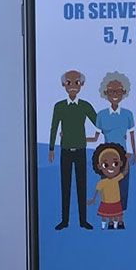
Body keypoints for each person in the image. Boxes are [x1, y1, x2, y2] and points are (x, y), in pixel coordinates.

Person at [48, 69, 98, 230]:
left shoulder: (84, 106)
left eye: (76, 82)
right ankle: (65, 220)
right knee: (66, 185)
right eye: (69, 83)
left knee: (81, 185)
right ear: (63, 85)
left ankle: (83, 220)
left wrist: (102, 133)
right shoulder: (60, 106)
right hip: (65, 151)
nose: (72, 86)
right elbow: (54, 128)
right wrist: (51, 148)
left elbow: (98, 121)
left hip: (81, 151)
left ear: (81, 84)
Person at [93, 72, 136, 211]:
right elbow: (95, 138)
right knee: (107, 189)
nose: (115, 94)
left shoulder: (128, 114)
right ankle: (109, 215)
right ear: (105, 93)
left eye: (118, 91)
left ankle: (121, 217)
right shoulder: (101, 115)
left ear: (124, 92)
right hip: (106, 156)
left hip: (124, 156)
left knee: (123, 186)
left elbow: (131, 135)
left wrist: (134, 152)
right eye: (111, 91)